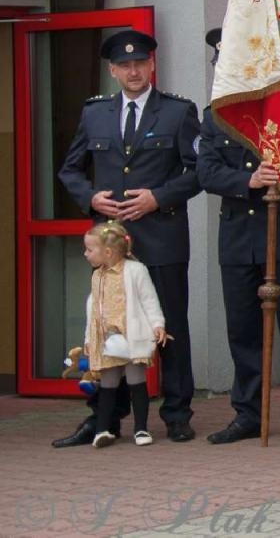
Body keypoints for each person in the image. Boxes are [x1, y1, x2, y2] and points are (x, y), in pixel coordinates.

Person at [56, 29, 200, 446]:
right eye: (125, 65)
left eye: (141, 63)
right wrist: (91, 198)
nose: (134, 71)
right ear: (113, 70)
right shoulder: (95, 113)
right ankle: (106, 418)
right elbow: (70, 169)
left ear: (152, 65)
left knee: (169, 326)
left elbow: (196, 172)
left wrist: (158, 197)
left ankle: (177, 414)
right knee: (108, 330)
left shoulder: (177, 111)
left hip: (162, 235)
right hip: (112, 246)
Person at [196, 74, 280, 444]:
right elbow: (206, 171)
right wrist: (248, 179)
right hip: (238, 237)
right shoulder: (215, 115)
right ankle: (247, 412)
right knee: (242, 330)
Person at [81, 221, 169, 448]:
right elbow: (92, 308)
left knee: (135, 381)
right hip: (108, 340)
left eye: (90, 250)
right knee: (108, 383)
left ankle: (141, 428)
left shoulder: (135, 270)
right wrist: (89, 339)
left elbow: (149, 299)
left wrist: (157, 324)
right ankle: (103, 429)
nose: (85, 254)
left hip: (131, 336)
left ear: (107, 252)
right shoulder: (97, 275)